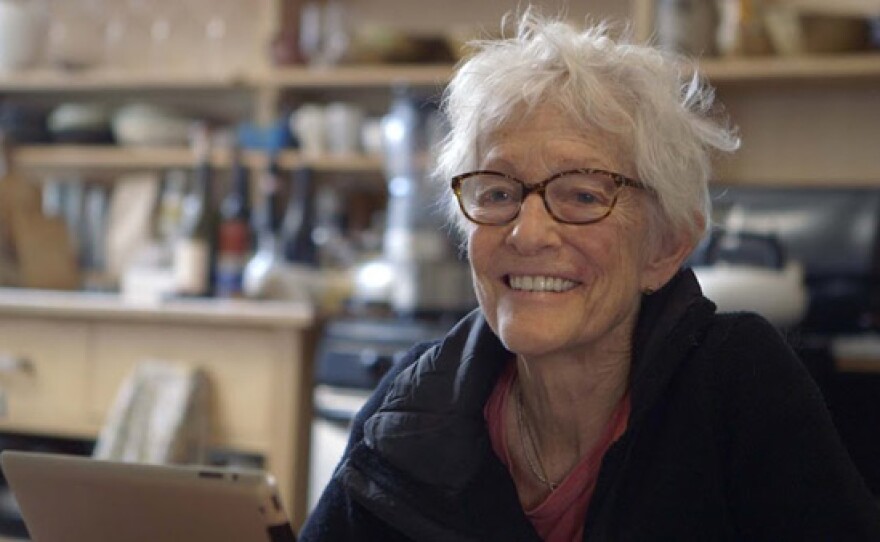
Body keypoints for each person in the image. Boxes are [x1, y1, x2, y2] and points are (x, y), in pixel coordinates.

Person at [300, 9, 880, 541]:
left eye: (582, 195)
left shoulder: (736, 383)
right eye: (498, 192)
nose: (528, 233)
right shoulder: (414, 404)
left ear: (665, 246)